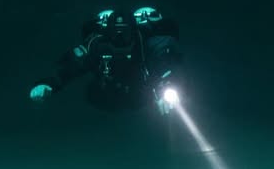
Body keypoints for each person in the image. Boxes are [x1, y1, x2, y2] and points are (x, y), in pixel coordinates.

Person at [29, 6, 182, 113]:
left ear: (134, 31)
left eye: (125, 34)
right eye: (116, 34)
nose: (120, 38)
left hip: (143, 96)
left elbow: (168, 64)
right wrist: (48, 83)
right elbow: (71, 66)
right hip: (104, 97)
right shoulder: (96, 45)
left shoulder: (150, 43)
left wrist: (166, 89)